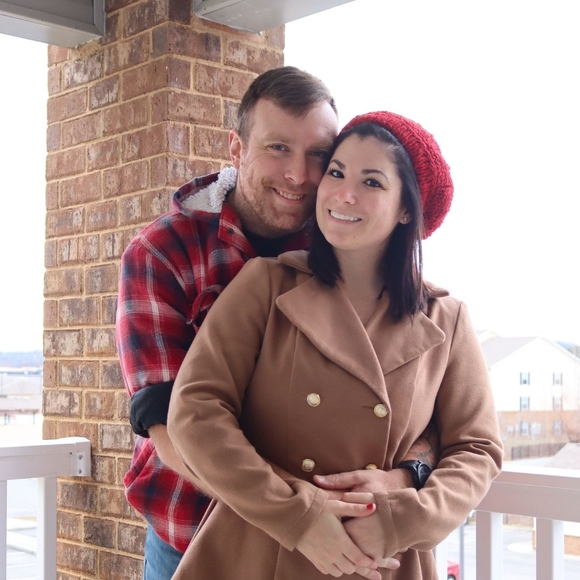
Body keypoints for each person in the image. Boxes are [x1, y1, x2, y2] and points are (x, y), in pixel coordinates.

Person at [116, 68, 436, 579]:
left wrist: (405, 477)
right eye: (278, 148)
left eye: (318, 154)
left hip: (329, 545)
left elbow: (421, 405)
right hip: (197, 532)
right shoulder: (161, 253)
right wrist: (294, 516)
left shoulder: (346, 247)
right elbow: (172, 425)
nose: (299, 175)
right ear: (237, 149)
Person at [167, 110, 504, 579]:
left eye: (372, 182)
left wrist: (403, 519)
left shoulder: (445, 318)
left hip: (382, 556)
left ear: (407, 209)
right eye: (337, 173)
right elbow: (195, 411)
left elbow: (477, 448)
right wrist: (298, 517)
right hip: (261, 547)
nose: (344, 194)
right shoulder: (266, 284)